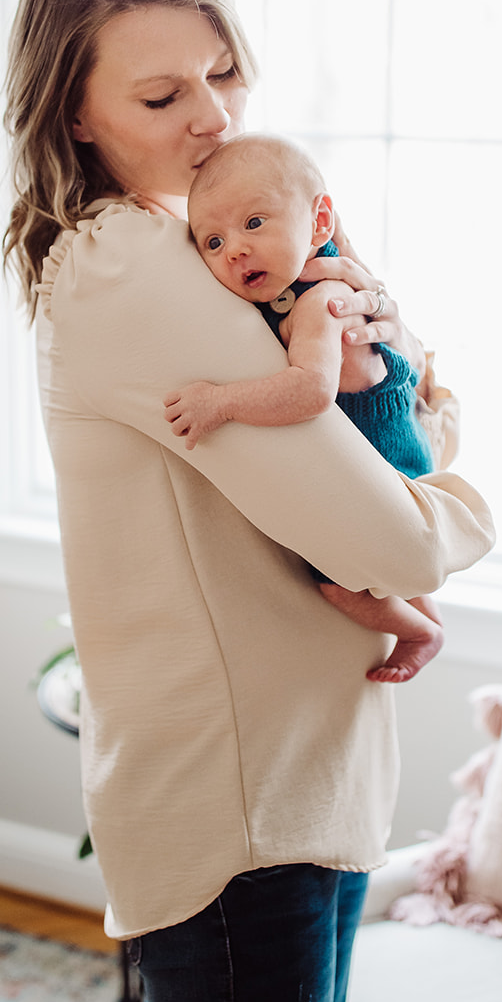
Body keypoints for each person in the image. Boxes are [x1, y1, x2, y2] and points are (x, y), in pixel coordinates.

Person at [3, 0, 494, 1002]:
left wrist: (378, 357)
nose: (213, 118)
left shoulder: (216, 256)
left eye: (224, 73)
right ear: (77, 117)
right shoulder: (125, 263)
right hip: (240, 813)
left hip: (299, 779)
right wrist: (459, 509)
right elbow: (390, 528)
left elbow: (346, 448)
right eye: (162, 94)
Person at [165, 132, 447, 684]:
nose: (235, 250)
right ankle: (428, 619)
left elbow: (311, 391)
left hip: (385, 451)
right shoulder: (295, 287)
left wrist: (218, 402)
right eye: (213, 242)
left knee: (337, 581)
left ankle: (420, 631)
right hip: (383, 443)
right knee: (393, 572)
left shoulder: (319, 300)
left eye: (253, 224)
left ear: (319, 224)